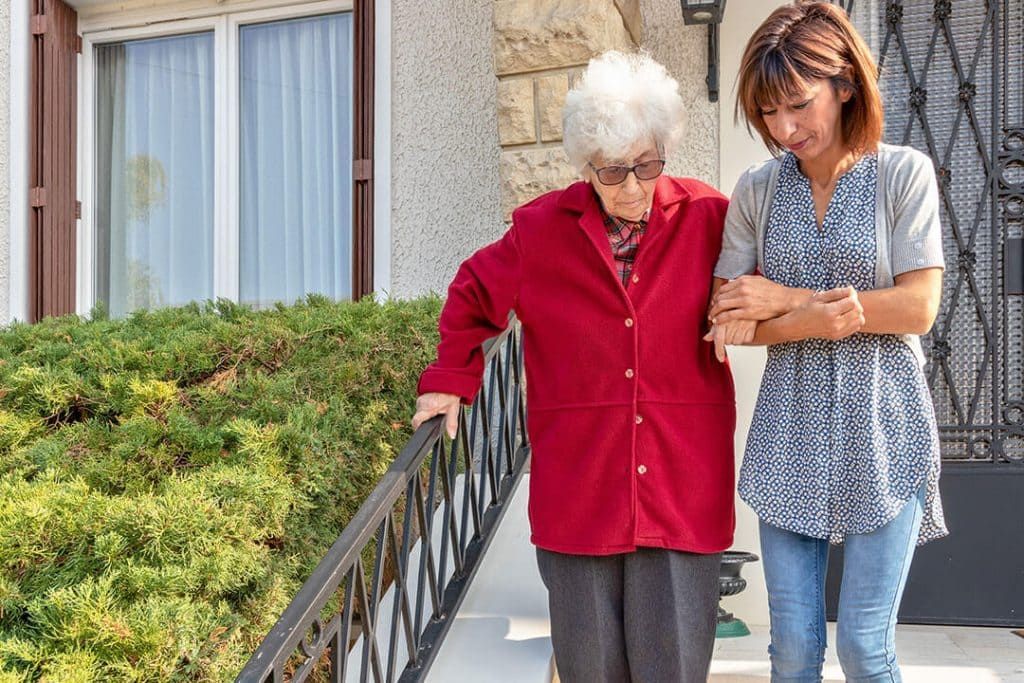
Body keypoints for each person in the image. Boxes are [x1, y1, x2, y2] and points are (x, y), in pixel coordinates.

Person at [412, 50, 736, 682]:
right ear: (587, 166)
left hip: (681, 485)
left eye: (648, 165)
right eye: (615, 173)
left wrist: (750, 307)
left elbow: (762, 280)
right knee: (589, 672)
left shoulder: (709, 217)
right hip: (580, 493)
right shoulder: (541, 231)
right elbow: (474, 292)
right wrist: (451, 380)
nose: (635, 187)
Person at [708, 3, 947, 681]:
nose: (784, 128)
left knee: (865, 648)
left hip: (885, 430)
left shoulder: (903, 175)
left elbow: (918, 307)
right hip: (788, 435)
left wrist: (784, 299)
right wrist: (840, 308)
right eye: (767, 113)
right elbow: (728, 318)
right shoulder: (756, 191)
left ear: (844, 84)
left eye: (796, 105)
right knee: (791, 651)